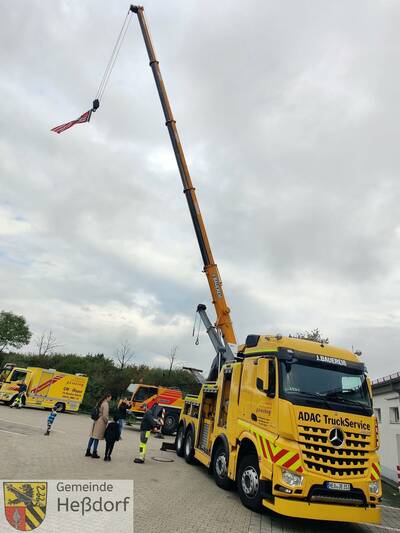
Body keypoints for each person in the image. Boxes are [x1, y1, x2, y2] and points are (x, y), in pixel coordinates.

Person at [85, 393, 111, 459]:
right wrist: (107, 421)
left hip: (96, 420)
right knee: (97, 437)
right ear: (107, 397)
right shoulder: (105, 404)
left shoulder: (100, 402)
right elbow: (105, 415)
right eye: (110, 397)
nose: (110, 399)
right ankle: (94, 452)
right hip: (101, 421)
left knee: (92, 436)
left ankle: (88, 451)